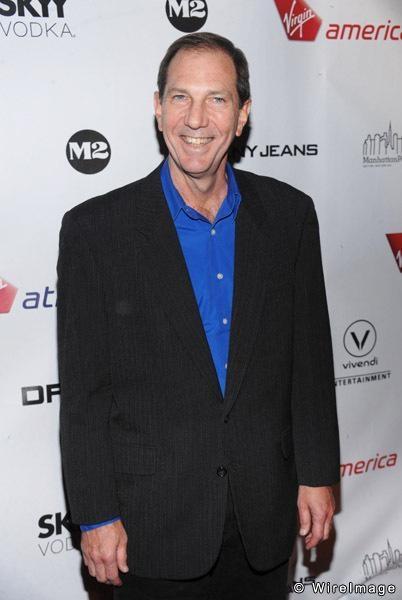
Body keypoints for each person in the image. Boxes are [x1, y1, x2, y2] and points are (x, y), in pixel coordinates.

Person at [56, 32, 340, 600]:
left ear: (243, 114)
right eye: (181, 97)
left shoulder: (290, 217)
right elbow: (85, 393)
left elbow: (309, 364)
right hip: (151, 525)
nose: (196, 119)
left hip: (264, 516)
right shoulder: (96, 231)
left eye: (217, 99)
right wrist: (96, 514)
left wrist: (317, 474)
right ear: (158, 108)